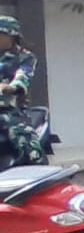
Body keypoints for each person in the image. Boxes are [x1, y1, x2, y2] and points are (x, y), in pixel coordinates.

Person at [0, 16, 42, 165]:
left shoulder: (25, 57)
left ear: (12, 35)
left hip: (11, 110)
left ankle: (38, 170)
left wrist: (10, 87)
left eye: (1, 34)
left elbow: (23, 75)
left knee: (24, 139)